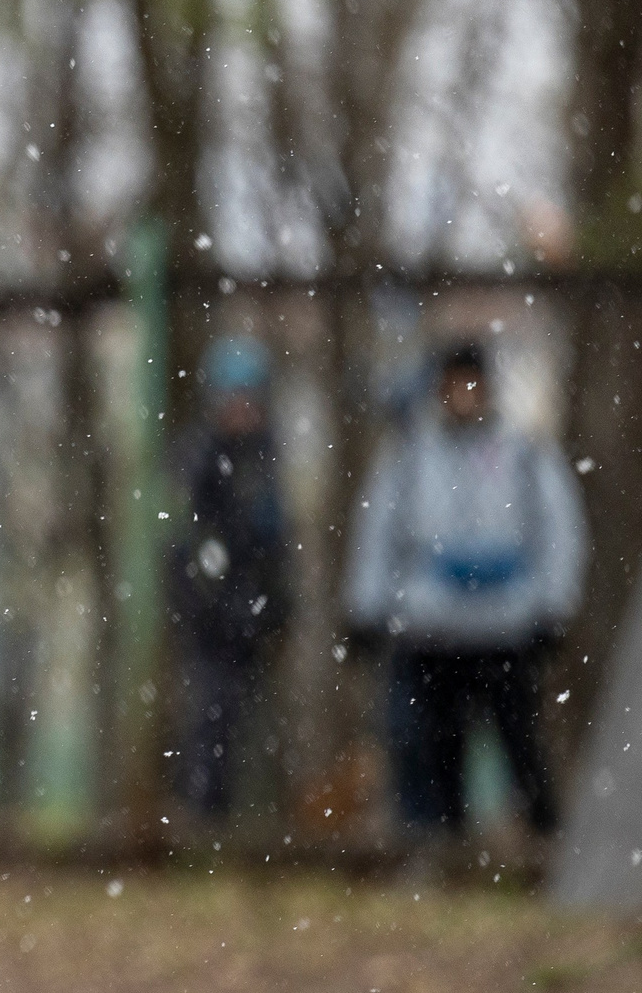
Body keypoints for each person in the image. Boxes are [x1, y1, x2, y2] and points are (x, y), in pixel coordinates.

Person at [343, 339, 586, 854]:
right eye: (454, 385)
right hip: (432, 629)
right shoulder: (410, 458)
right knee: (437, 751)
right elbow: (378, 533)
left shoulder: (522, 454)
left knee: (522, 745)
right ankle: (450, 853)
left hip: (507, 627)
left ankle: (546, 848)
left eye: (472, 384)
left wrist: (553, 607)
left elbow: (559, 531)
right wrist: (366, 609)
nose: (464, 396)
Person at [166, 336, 293, 822]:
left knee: (257, 723)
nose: (242, 410)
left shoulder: (266, 459)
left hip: (254, 615)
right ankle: (204, 816)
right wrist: (207, 600)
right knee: (211, 713)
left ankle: (257, 818)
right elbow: (183, 540)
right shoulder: (197, 459)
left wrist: (276, 604)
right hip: (211, 617)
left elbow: (277, 541)